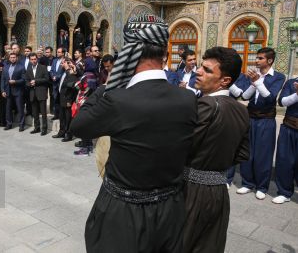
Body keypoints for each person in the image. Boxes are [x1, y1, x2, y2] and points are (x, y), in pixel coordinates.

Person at [70, 14, 196, 252]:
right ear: (163, 53)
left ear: (131, 52)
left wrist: (107, 88)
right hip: (171, 209)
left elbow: (79, 126)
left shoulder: (118, 99)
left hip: (123, 213)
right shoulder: (188, 99)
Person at [182, 47, 250, 253]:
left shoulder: (205, 105)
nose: (199, 72)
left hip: (190, 191)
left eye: (207, 70)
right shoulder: (241, 110)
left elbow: (182, 146)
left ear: (225, 80)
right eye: (201, 67)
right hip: (219, 193)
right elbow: (242, 154)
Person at [237, 47, 286, 199]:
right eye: (256, 58)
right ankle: (247, 183)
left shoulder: (278, 77)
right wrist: (253, 83)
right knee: (247, 151)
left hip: (266, 119)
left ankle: (262, 186)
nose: (256, 60)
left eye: (260, 58)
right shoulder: (252, 75)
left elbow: (270, 98)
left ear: (269, 60)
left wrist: (258, 82)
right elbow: (244, 97)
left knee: (263, 154)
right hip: (250, 117)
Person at [272, 77, 298, 204]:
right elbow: (282, 102)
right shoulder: (291, 83)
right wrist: (297, 95)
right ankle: (284, 192)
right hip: (289, 127)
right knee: (285, 160)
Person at [53, 58, 78, 142]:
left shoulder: (71, 73)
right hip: (61, 98)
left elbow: (71, 88)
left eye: (63, 63)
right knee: (62, 117)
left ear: (68, 63)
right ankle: (61, 132)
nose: (61, 64)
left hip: (67, 99)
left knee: (68, 118)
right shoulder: (64, 72)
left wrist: (69, 101)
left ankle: (68, 134)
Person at [25, 53, 49, 135]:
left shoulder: (43, 67)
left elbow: (47, 79)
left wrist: (36, 81)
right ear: (29, 60)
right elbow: (26, 81)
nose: (33, 61)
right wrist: (30, 84)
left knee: (43, 113)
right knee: (35, 112)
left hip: (41, 92)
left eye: (34, 59)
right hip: (32, 93)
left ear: (37, 59)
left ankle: (44, 129)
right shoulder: (28, 69)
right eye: (31, 59)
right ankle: (37, 127)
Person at [1, 52, 26, 131]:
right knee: (8, 108)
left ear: (16, 58)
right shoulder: (5, 67)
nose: (12, 58)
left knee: (20, 108)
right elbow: (3, 80)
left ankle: (21, 125)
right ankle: (9, 124)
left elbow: (24, 80)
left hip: (18, 91)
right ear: (9, 58)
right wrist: (2, 90)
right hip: (8, 91)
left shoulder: (21, 67)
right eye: (11, 57)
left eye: (14, 57)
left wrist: (15, 81)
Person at [50, 47, 66, 120]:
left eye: (59, 52)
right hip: (54, 83)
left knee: (61, 99)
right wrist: (53, 76)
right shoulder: (54, 60)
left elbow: (64, 72)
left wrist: (57, 77)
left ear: (63, 53)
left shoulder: (65, 61)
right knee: (55, 99)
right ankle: (56, 114)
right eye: (57, 52)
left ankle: (61, 115)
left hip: (61, 83)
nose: (57, 53)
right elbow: (51, 70)